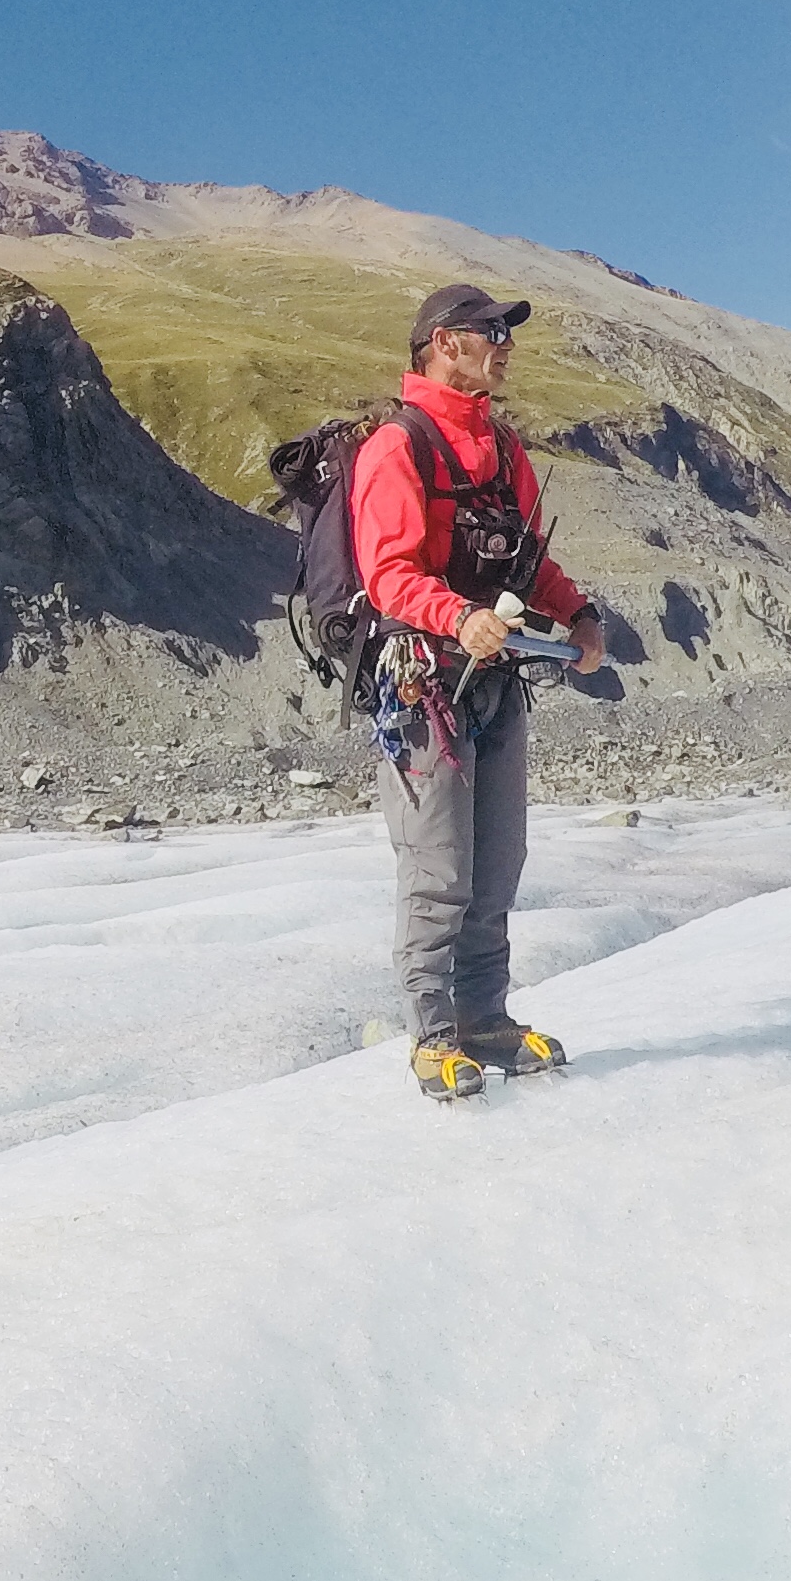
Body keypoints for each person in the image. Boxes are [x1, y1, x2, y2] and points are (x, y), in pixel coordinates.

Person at [348, 282, 607, 1103]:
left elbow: (531, 561)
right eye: (488, 331)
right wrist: (457, 618)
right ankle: (431, 1035)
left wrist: (579, 613)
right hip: (422, 684)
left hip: (495, 682)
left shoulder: (502, 446)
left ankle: (485, 1021)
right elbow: (387, 574)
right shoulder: (396, 446)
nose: (504, 344)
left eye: (506, 334)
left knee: (498, 863)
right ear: (441, 342)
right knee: (438, 865)